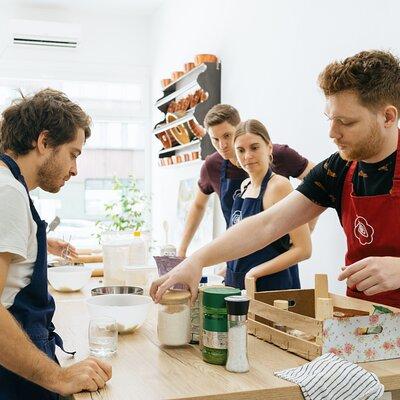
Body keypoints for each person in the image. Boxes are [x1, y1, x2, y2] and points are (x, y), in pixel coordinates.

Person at [151, 50, 400, 309]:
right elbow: (267, 225)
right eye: (330, 119)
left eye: (346, 122)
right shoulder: (338, 169)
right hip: (366, 319)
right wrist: (196, 260)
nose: (332, 133)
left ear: (388, 117)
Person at [0, 89, 112, 399]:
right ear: (44, 141)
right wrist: (58, 377)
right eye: (73, 153)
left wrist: (36, 242)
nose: (75, 169)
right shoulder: (7, 192)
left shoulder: (7, 184)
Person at [177, 104, 315, 258]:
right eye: (215, 139)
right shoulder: (212, 166)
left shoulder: (279, 155)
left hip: (276, 258)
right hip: (237, 255)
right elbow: (198, 205)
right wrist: (182, 251)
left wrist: (308, 225)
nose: (221, 145)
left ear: (239, 128)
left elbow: (317, 181)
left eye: (227, 136)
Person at [225, 119, 311, 291]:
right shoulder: (244, 187)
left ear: (269, 148)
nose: (247, 156)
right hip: (238, 284)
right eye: (240, 150)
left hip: (270, 287)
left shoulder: (279, 187)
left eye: (254, 147)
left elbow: (303, 249)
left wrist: (255, 273)